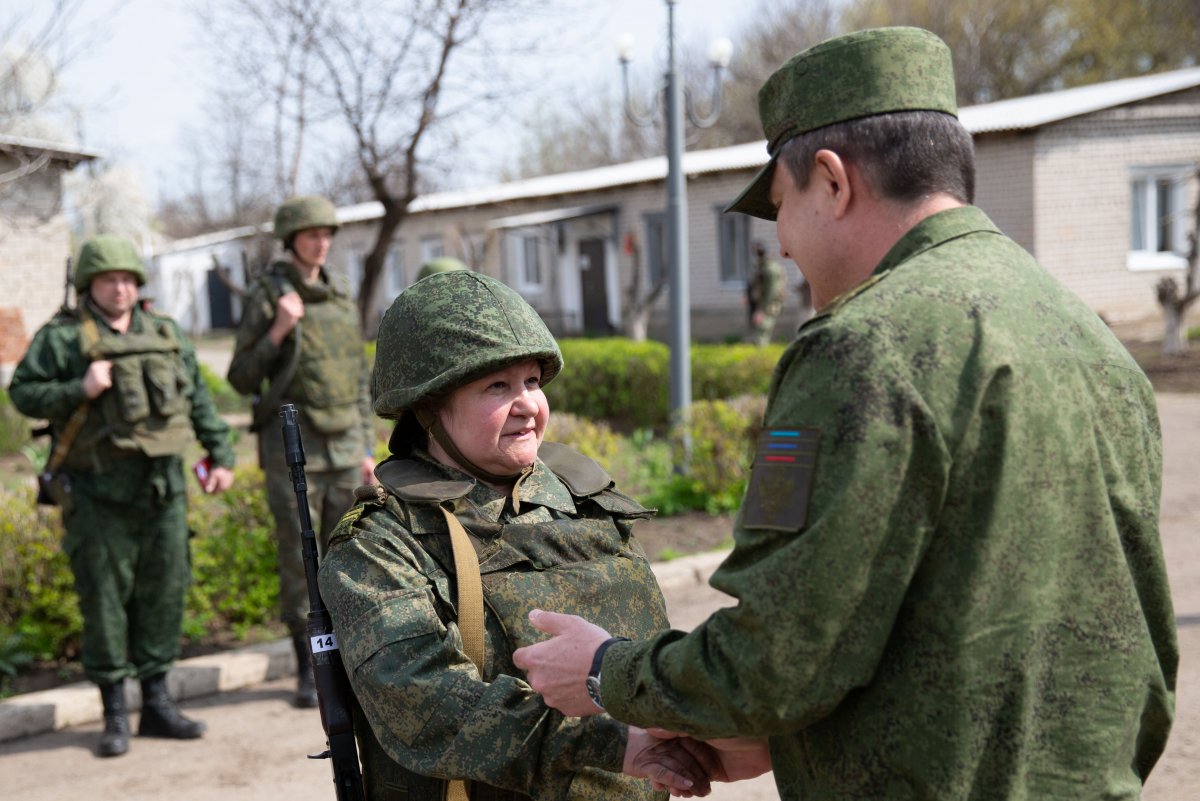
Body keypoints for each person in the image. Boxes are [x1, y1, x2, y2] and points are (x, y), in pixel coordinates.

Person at [513, 26, 1178, 800]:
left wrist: (604, 671)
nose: (785, 250)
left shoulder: (862, 349)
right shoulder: (1085, 333)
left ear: (831, 180)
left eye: (782, 206)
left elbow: (777, 656)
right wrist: (781, 730)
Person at [316, 270, 731, 799]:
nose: (529, 406)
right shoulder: (380, 543)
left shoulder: (581, 496)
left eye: (533, 382)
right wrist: (611, 745)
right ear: (429, 406)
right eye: (497, 386)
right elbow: (425, 703)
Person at [9, 234, 236, 759]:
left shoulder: (163, 331)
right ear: (89, 283)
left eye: (129, 279)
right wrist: (78, 389)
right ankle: (115, 712)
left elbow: (196, 398)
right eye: (109, 279)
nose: (121, 289)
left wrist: (220, 455)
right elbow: (22, 392)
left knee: (164, 592)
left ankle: (156, 703)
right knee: (105, 601)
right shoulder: (63, 337)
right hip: (96, 494)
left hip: (163, 489)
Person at [227, 195, 375, 708]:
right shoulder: (270, 296)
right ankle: (307, 668)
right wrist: (278, 330)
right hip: (293, 449)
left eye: (327, 233)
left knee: (346, 556)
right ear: (290, 239)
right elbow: (240, 375)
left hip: (342, 448)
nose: (322, 241)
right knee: (299, 559)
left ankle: (353, 661)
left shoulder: (339, 294)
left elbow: (358, 377)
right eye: (311, 234)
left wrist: (366, 447)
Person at [744, 242, 784, 345]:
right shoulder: (762, 266)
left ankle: (761, 358)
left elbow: (771, 291)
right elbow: (755, 282)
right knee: (757, 332)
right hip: (759, 304)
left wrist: (761, 310)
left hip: (767, 305)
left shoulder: (770, 269)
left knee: (761, 334)